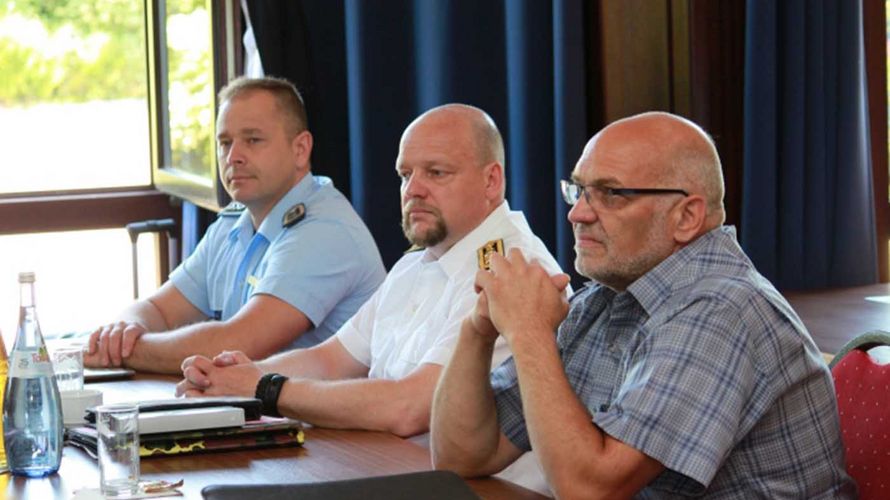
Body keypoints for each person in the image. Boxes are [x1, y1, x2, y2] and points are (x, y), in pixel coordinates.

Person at [431, 112, 856, 498]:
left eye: (611, 193)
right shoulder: (603, 300)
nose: (578, 214)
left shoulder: (722, 308)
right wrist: (480, 326)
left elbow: (590, 492)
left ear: (686, 217)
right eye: (579, 190)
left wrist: (528, 331)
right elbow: (462, 456)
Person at [175, 104, 563, 493]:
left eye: (436, 173)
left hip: (483, 491)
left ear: (491, 181)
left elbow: (409, 407)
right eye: (405, 174)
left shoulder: (514, 269)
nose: (413, 190)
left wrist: (264, 389)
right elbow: (331, 358)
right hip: (393, 471)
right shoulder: (418, 262)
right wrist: (239, 376)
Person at [84, 76, 386, 374]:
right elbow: (159, 309)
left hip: (325, 421)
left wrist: (128, 351)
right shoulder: (233, 222)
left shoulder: (325, 230)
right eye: (225, 143)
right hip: (264, 413)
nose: (234, 157)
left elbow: (238, 343)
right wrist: (125, 329)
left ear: (300, 149)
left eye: (253, 140)